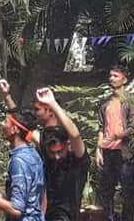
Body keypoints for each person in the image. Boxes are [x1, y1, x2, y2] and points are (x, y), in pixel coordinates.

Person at [34, 88, 88, 221]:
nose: (56, 156)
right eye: (53, 153)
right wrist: (7, 96)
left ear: (68, 145)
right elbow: (21, 127)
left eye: (60, 152)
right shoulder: (50, 156)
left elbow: (75, 135)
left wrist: (52, 103)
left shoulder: (77, 160)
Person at [96, 65, 134, 221]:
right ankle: (110, 218)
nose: (111, 78)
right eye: (110, 75)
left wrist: (117, 136)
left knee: (127, 191)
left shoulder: (129, 102)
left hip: (124, 153)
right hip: (107, 152)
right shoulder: (104, 104)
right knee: (106, 191)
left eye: (115, 75)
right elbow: (101, 128)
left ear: (124, 79)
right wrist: (98, 150)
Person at [0, 79, 59, 146]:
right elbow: (18, 119)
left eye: (37, 109)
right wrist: (6, 95)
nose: (34, 112)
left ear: (50, 111)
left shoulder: (60, 136)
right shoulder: (41, 136)